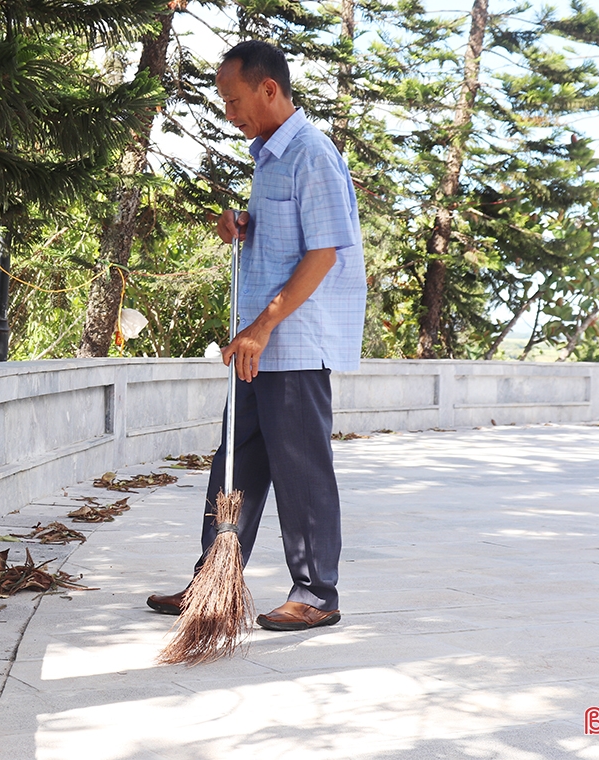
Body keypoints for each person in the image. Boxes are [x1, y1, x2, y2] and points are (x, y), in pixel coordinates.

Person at [147, 40, 366, 631]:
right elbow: (287, 238)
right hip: (258, 345)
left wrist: (264, 324)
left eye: (234, 99)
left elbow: (323, 254)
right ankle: (212, 581)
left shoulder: (312, 154)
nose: (229, 112)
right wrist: (243, 222)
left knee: (301, 467)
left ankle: (317, 594)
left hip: (291, 343)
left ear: (269, 89)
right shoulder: (269, 155)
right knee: (235, 465)